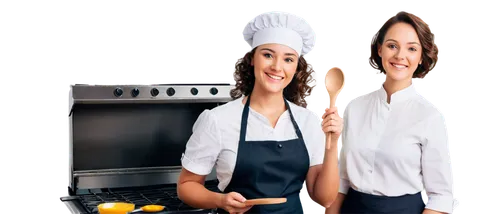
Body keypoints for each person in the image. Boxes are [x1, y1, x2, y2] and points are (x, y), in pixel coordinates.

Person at [177, 9, 343, 214]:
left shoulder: (307, 120)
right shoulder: (218, 120)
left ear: (296, 68)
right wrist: (220, 200)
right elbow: (186, 186)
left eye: (288, 59)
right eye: (267, 55)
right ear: (252, 58)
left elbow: (323, 199)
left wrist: (333, 142)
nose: (277, 67)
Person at [324, 10, 454, 214]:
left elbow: (441, 196)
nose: (400, 56)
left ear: (421, 57)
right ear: (379, 50)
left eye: (411, 49)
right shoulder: (354, 108)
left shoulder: (429, 117)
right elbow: (342, 181)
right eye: (392, 45)